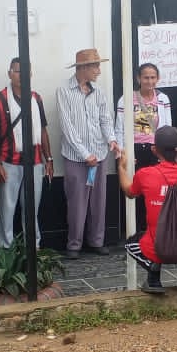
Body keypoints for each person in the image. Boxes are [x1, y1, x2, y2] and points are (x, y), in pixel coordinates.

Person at [116, 126, 177, 294]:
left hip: (156, 247)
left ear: (154, 149)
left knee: (131, 243)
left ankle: (153, 273)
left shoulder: (145, 174)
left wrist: (121, 168)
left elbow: (129, 192)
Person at [55, 48, 120, 259]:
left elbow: (105, 119)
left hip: (99, 154)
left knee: (98, 201)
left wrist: (111, 139)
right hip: (76, 157)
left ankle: (96, 240)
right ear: (83, 68)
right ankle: (74, 244)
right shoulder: (64, 91)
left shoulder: (98, 92)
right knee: (77, 201)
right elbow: (67, 127)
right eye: (95, 66)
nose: (99, 71)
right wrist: (85, 154)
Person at [0, 58, 54, 249]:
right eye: (17, 71)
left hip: (36, 161)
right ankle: (5, 248)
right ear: (10, 73)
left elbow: (43, 130)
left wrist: (49, 158)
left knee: (32, 208)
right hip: (8, 161)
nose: (22, 75)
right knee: (7, 209)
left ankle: (33, 247)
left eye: (26, 71)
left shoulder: (36, 98)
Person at [114, 62, 174, 231]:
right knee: (136, 189)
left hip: (155, 150)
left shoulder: (162, 99)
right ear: (138, 78)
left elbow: (167, 126)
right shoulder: (125, 99)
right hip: (134, 150)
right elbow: (119, 128)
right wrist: (122, 153)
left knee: (155, 189)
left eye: (153, 77)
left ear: (158, 78)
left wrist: (166, 152)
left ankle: (154, 227)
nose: (149, 81)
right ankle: (136, 228)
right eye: (146, 77)